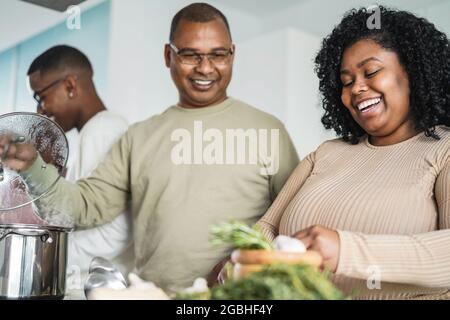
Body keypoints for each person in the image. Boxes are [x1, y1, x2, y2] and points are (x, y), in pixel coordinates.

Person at [0, 3, 299, 292]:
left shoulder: (269, 131)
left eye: (218, 55)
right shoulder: (138, 138)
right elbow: (81, 208)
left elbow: (294, 224)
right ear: (168, 55)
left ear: (232, 54)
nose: (205, 68)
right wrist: (31, 165)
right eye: (191, 55)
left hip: (244, 299)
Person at [256, 7, 450, 299]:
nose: (356, 88)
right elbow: (267, 226)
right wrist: (245, 259)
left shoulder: (443, 150)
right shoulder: (327, 153)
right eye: (346, 82)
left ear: (413, 71)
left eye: (370, 72)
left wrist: (345, 250)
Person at [26, 45, 134, 281]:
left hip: (97, 287)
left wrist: (48, 259)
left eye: (42, 97)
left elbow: (116, 232)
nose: (40, 109)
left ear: (70, 86)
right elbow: (65, 214)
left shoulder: (104, 130)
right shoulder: (94, 132)